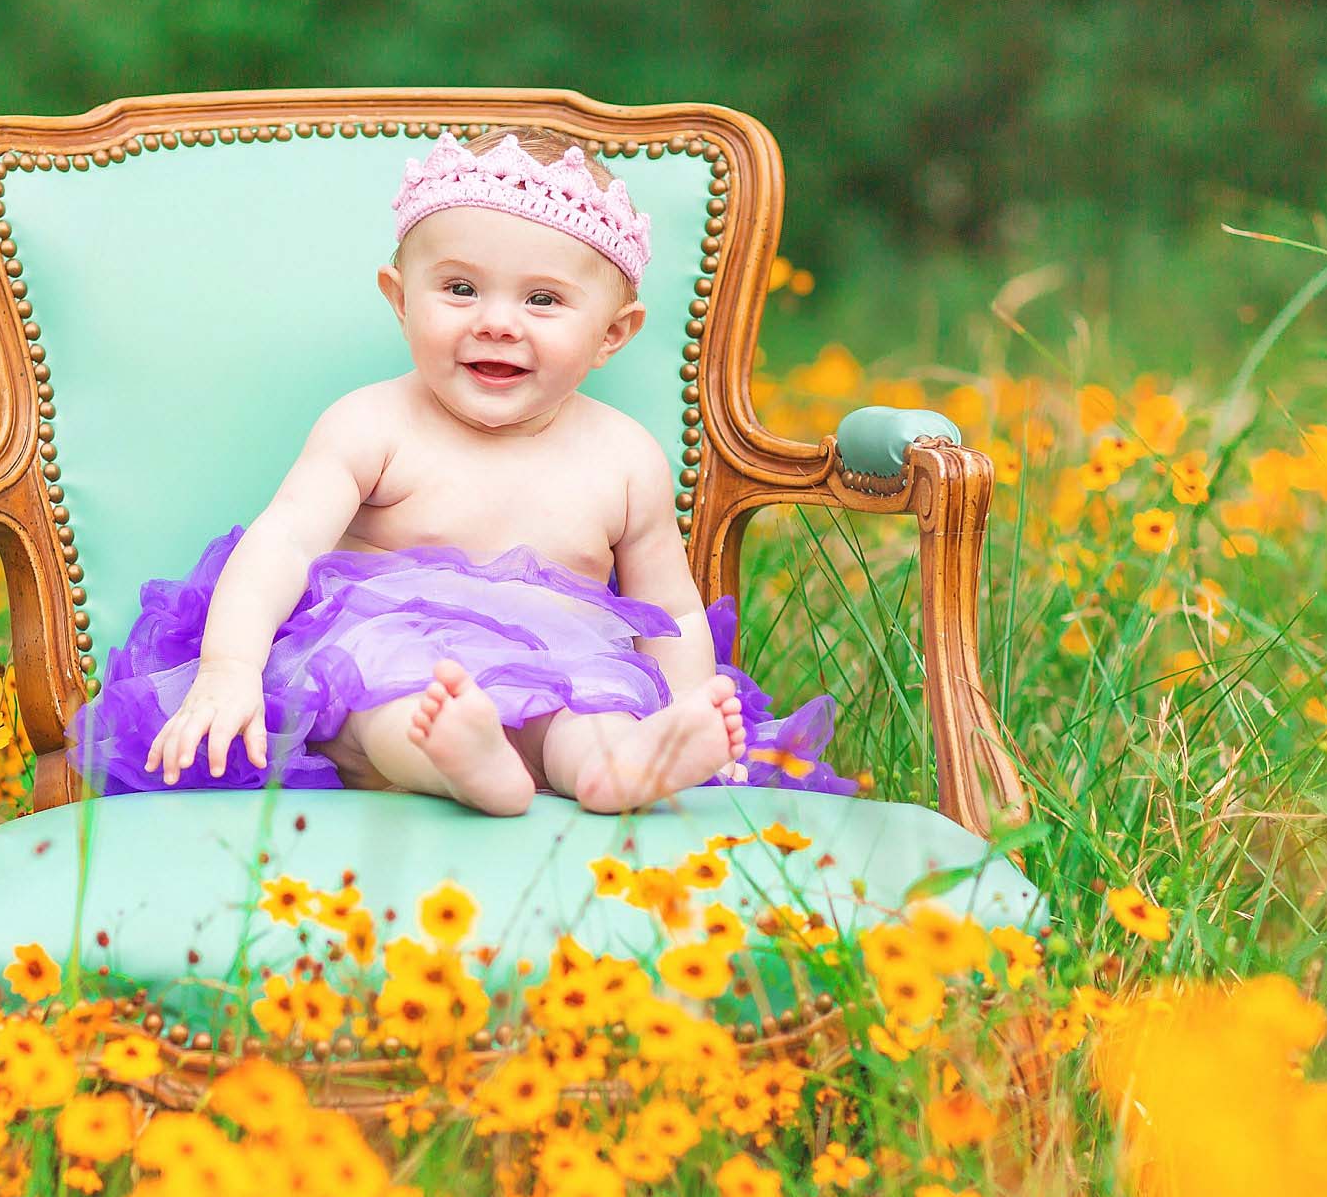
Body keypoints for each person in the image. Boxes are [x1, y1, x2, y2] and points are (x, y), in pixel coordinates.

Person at [67, 124, 864, 814]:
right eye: (458, 288)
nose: (495, 322)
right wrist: (229, 668)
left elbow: (672, 606)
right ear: (399, 296)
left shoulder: (623, 457)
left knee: (595, 711)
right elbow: (279, 545)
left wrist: (690, 700)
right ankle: (459, 762)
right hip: (385, 650)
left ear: (613, 334)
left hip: (565, 670)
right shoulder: (373, 423)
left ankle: (619, 766)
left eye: (543, 301)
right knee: (387, 704)